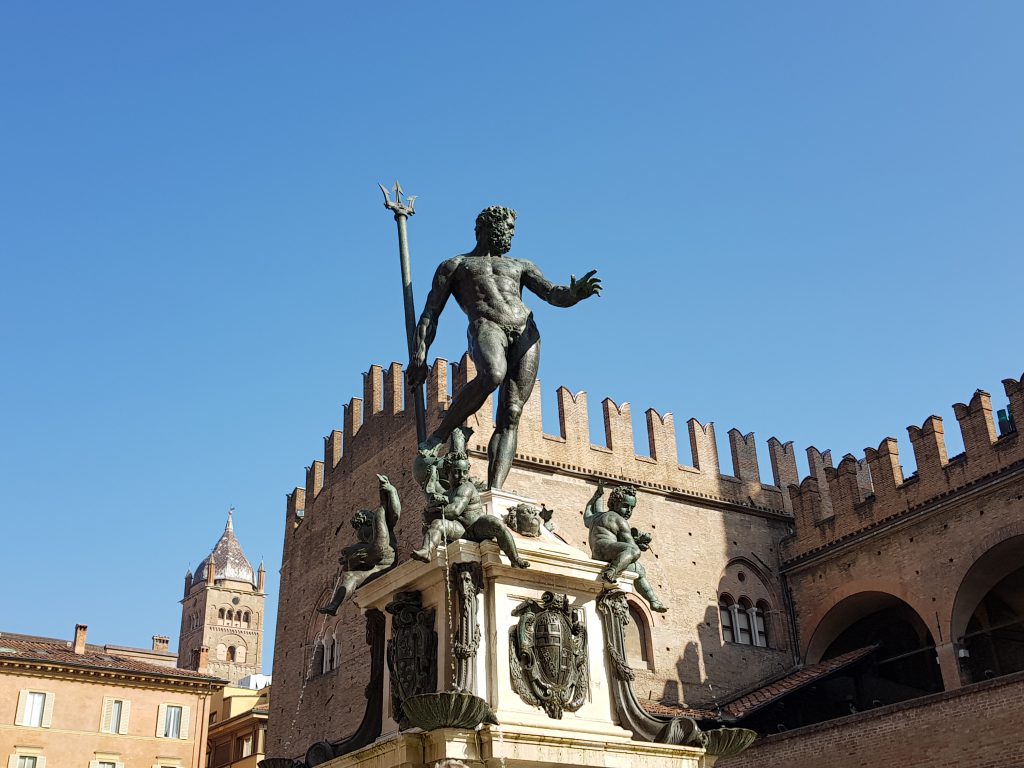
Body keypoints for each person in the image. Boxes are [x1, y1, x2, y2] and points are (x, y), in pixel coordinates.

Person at [408, 206, 601, 489]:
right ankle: (439, 436)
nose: (512, 233)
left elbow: (551, 293)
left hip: (526, 331)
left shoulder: (520, 265)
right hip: (487, 326)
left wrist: (574, 295)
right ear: (490, 226)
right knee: (492, 374)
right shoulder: (456, 265)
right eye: (508, 227)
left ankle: (495, 491)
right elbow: (430, 313)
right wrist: (419, 353)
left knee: (511, 412)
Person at [411, 452, 529, 568]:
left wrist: (434, 511)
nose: (462, 476)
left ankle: (514, 558)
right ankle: (426, 551)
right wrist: (430, 480)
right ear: (448, 472)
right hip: (462, 530)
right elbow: (432, 495)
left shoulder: (466, 487)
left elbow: (455, 511)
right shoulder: (448, 493)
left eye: (465, 472)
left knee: (497, 524)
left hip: (477, 526)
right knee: (437, 524)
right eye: (457, 472)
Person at [319, 474, 401, 615]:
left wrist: (391, 490)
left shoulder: (382, 520)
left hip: (388, 563)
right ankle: (334, 606)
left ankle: (334, 605)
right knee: (351, 576)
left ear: (369, 522)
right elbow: (361, 559)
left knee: (352, 576)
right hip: (376, 568)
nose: (360, 533)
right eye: (358, 530)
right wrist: (352, 560)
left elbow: (395, 512)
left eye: (362, 528)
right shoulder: (365, 541)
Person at [583, 480, 667, 612]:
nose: (628, 511)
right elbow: (632, 548)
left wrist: (596, 496)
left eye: (631, 508)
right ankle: (612, 572)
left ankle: (653, 600)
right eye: (625, 506)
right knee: (634, 551)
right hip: (606, 550)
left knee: (638, 569)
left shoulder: (596, 517)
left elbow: (587, 515)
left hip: (599, 552)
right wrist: (639, 544)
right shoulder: (619, 520)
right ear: (615, 503)